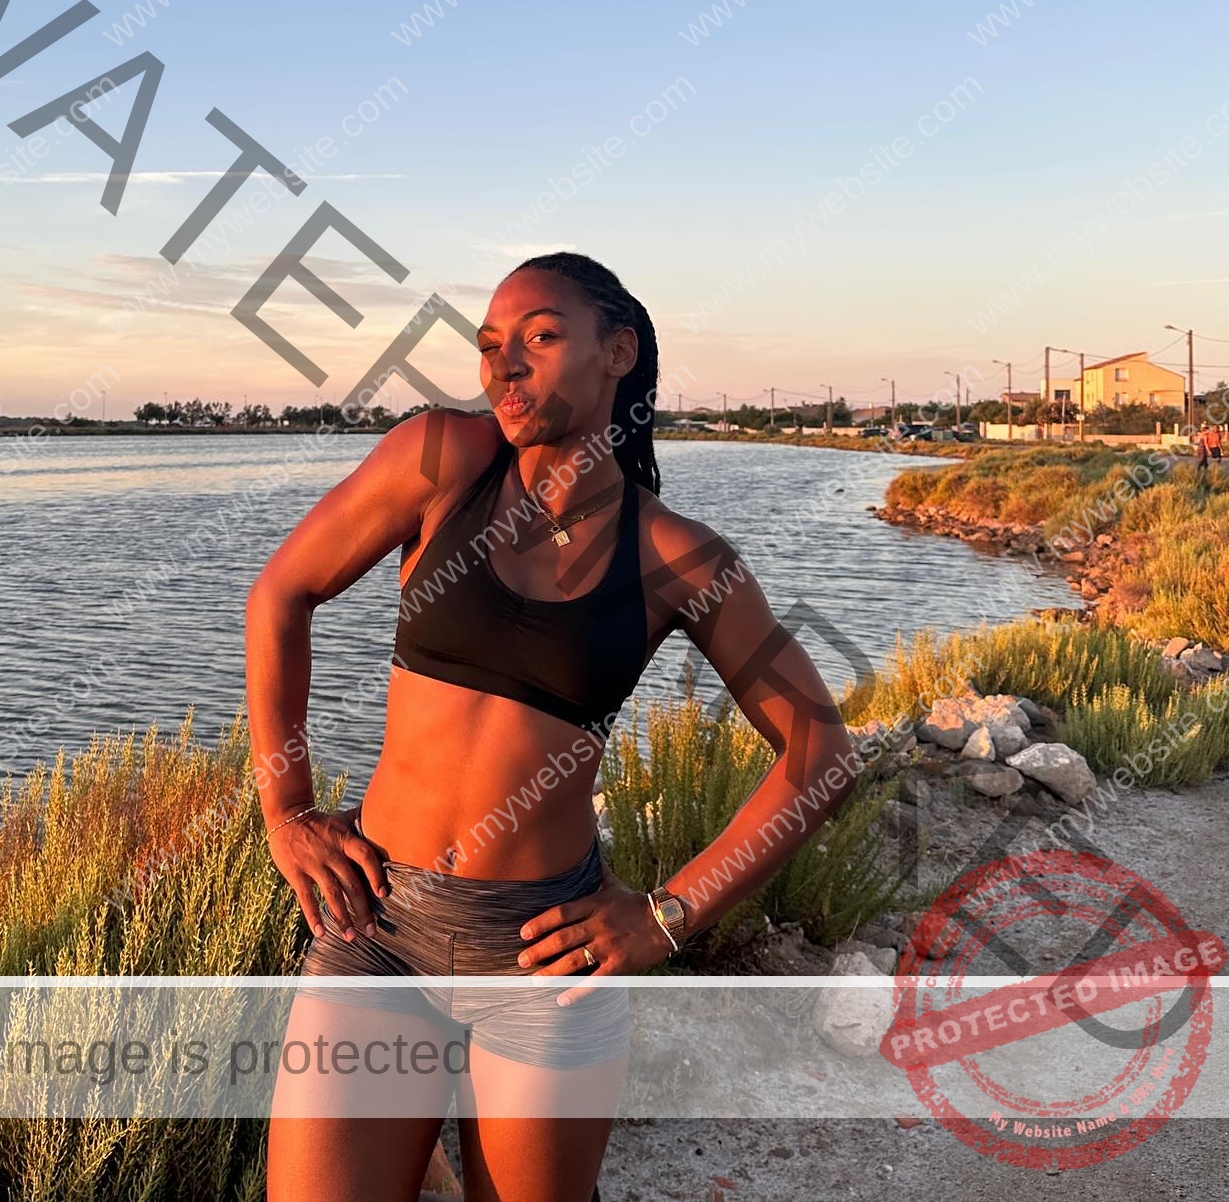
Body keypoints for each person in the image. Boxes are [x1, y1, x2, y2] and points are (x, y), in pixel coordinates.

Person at [245, 252, 857, 1202]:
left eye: (539, 336)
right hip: (377, 921)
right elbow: (282, 593)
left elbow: (820, 754)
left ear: (620, 352)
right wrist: (286, 806)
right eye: (491, 346)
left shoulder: (676, 556)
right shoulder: (441, 458)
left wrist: (666, 914)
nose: (505, 366)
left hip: (543, 953)